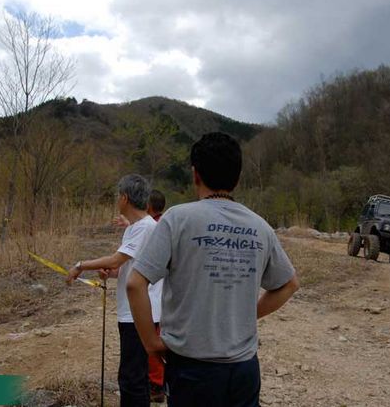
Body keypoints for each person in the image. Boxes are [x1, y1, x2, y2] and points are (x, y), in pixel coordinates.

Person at [127, 132, 299, 407]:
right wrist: (247, 313)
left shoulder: (177, 219)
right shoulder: (260, 226)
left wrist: (150, 342)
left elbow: (135, 283)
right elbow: (289, 284)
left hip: (192, 370)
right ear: (238, 178)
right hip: (244, 369)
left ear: (195, 174)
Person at [66, 174, 163, 407]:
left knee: (132, 378)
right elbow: (129, 265)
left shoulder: (144, 228)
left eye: (118, 196)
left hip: (139, 313)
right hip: (133, 312)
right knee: (131, 374)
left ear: (124, 198)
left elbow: (116, 258)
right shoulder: (138, 228)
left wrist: (81, 265)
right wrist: (111, 272)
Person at [113, 188, 167, 403]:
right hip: (145, 308)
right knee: (138, 369)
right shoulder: (152, 226)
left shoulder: (152, 227)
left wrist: (81, 266)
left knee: (134, 374)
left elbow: (118, 261)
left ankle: (157, 385)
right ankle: (155, 386)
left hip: (142, 309)